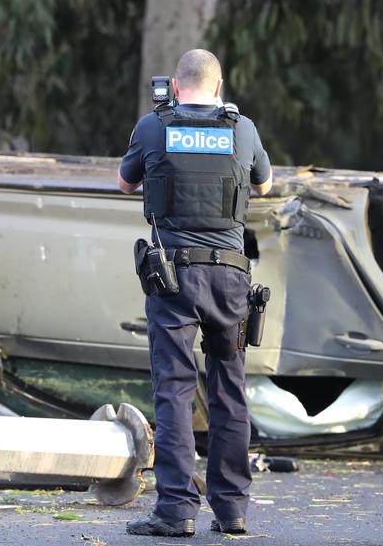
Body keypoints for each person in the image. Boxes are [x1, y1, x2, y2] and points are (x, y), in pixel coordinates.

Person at [117, 49, 273, 537]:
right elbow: (264, 185)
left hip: (173, 280)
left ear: (177, 86)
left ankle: (177, 511)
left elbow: (125, 183)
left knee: (175, 391)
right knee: (229, 389)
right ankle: (232, 511)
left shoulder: (152, 126)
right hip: (230, 279)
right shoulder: (242, 129)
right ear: (219, 87)